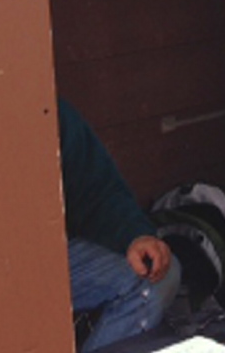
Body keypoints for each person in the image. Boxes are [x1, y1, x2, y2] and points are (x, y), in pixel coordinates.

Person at [58, 97, 181, 352]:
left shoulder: (45, 108)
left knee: (155, 275)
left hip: (42, 259)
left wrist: (135, 236)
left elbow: (96, 192)